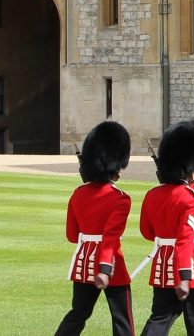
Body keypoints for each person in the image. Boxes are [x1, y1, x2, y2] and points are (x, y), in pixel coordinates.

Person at [136, 120, 194, 336]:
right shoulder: (193, 198)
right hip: (191, 270)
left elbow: (147, 232)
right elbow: (186, 240)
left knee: (159, 320)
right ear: (192, 168)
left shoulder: (152, 195)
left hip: (162, 267)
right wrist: (184, 276)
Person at [55, 120, 136, 336]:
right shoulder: (120, 199)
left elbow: (72, 236)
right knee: (122, 318)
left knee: (78, 313)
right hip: (111, 263)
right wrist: (104, 269)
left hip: (83, 263)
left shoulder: (78, 194)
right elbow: (110, 237)